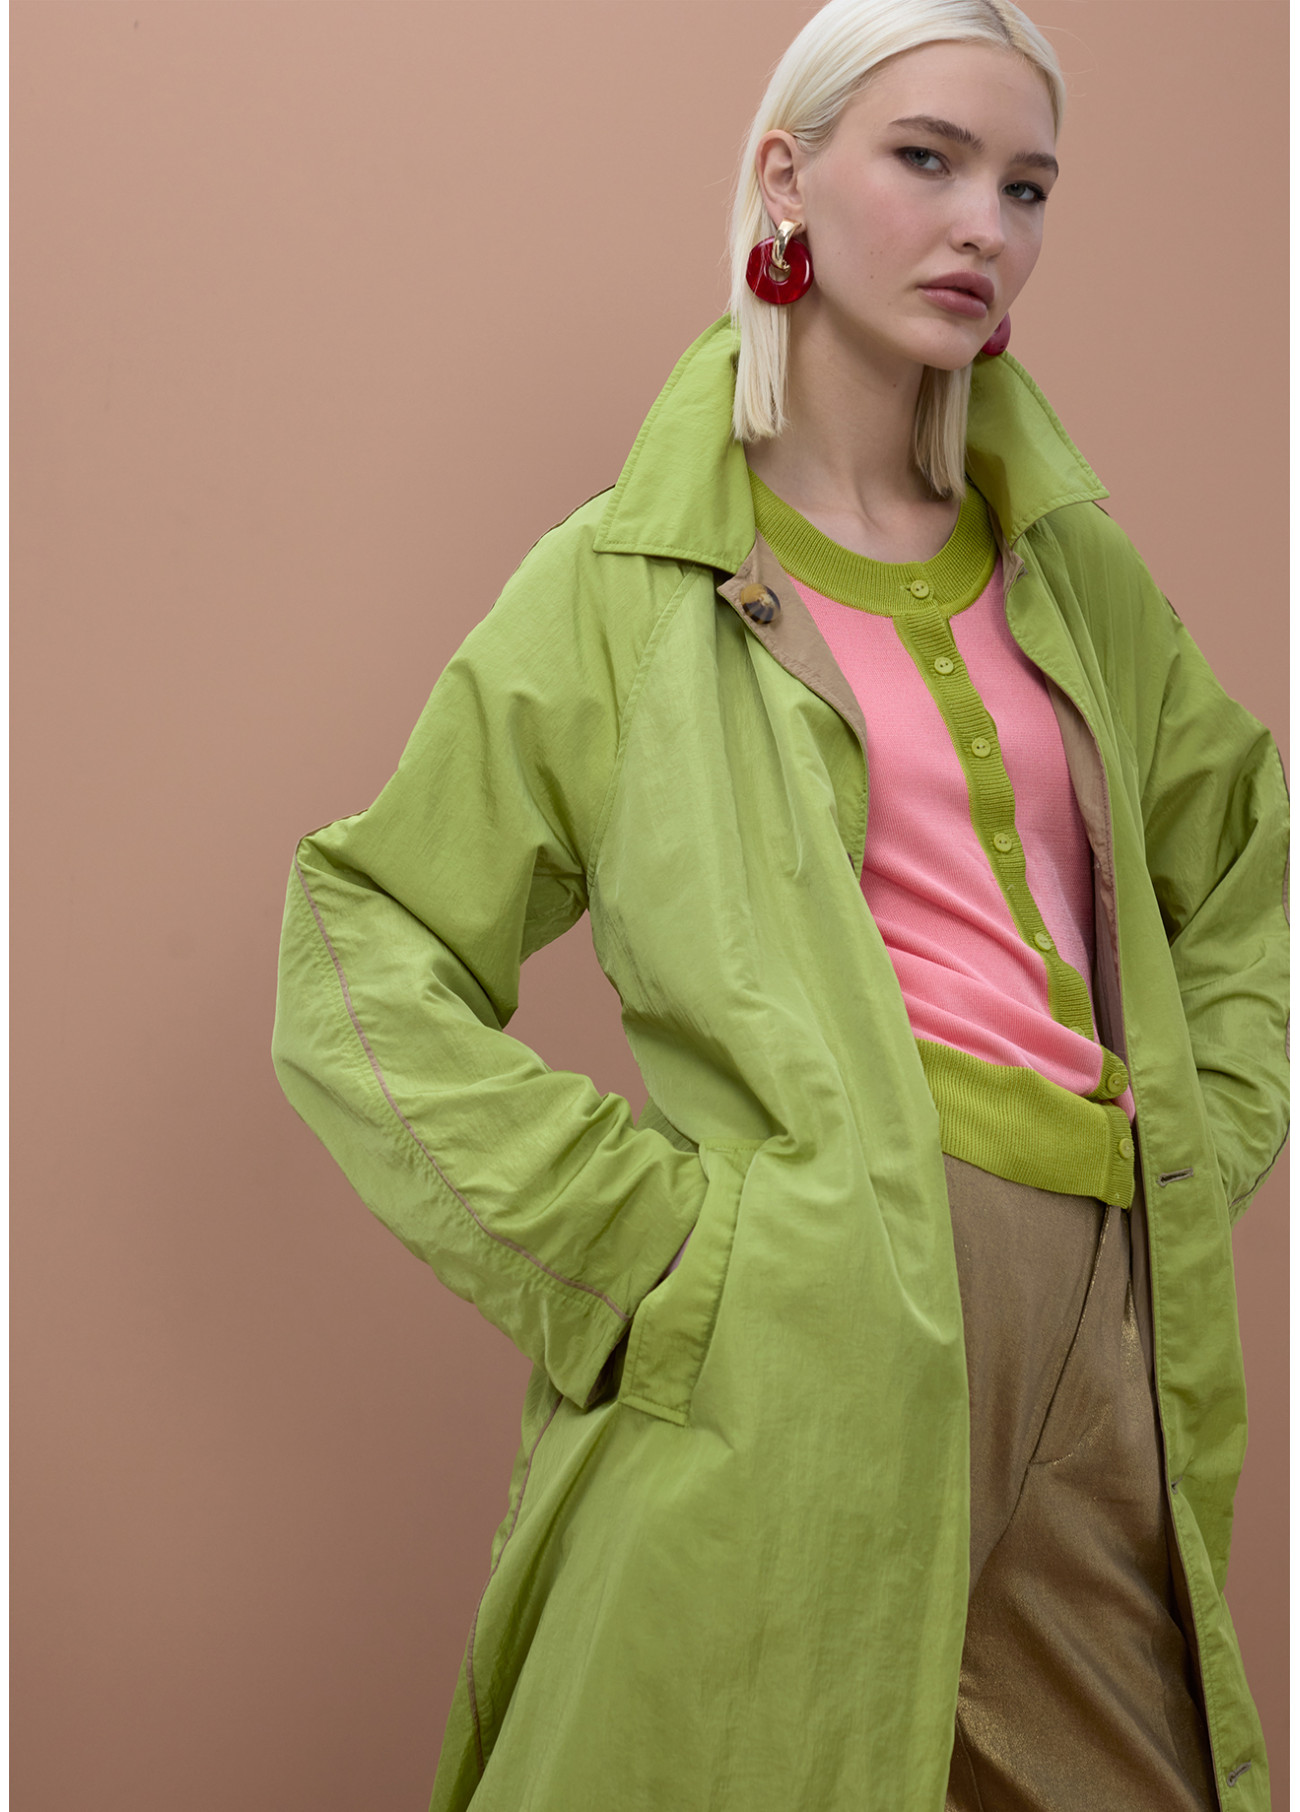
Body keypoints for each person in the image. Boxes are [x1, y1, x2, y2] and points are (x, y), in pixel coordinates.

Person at [271, 1, 1287, 1806]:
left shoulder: (1070, 569)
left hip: (1105, 1321)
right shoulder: (626, 582)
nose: (985, 224)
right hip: (805, 1334)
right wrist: (652, 1249)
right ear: (787, 177)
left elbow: (1247, 864)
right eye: (929, 159)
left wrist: (1207, 1130)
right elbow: (365, 944)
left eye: (1027, 186)